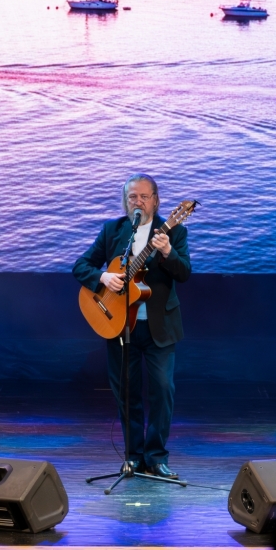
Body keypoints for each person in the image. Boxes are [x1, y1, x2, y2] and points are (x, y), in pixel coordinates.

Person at [72, 174, 191, 479]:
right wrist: (103, 277)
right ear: (125, 202)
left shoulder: (174, 231)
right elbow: (81, 266)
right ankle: (133, 456)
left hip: (159, 327)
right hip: (119, 326)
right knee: (127, 393)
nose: (138, 202)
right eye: (132, 197)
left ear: (156, 201)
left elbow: (184, 273)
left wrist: (168, 253)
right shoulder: (113, 230)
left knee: (162, 390)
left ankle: (156, 456)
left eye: (144, 197)